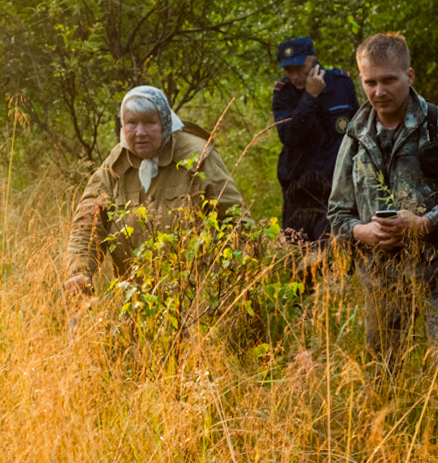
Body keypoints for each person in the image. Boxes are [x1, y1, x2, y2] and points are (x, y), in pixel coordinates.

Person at [326, 33, 438, 384]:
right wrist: (362, 232)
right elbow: (338, 213)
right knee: (382, 378)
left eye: (389, 81)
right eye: (370, 82)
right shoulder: (355, 137)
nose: (379, 92)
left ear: (409, 76)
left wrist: (424, 223)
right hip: (383, 280)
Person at [65, 86, 247, 294]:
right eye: (132, 123)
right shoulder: (115, 165)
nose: (140, 132)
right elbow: (88, 224)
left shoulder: (197, 158)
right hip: (135, 300)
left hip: (196, 299)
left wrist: (230, 287)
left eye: (150, 123)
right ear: (123, 125)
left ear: (164, 123)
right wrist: (80, 271)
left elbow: (237, 223)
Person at [272, 37, 359, 242]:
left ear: (313, 60)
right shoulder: (283, 93)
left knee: (333, 257)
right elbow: (288, 136)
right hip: (298, 191)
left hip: (334, 190)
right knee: (299, 263)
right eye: (288, 71)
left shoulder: (341, 83)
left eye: (300, 68)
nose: (294, 76)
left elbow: (356, 133)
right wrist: (309, 97)